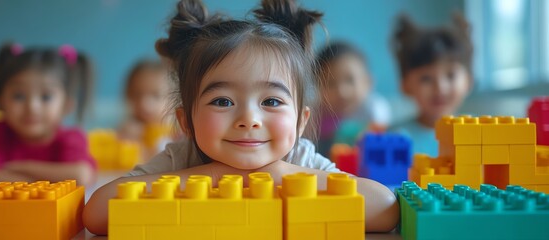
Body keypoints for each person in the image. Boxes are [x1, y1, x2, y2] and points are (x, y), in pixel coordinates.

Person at [83, 0, 399, 235]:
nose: (249, 119)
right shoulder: (183, 158)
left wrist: (281, 173)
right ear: (186, 122)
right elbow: (97, 213)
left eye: (271, 101)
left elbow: (385, 208)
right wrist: (213, 174)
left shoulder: (299, 158)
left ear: (302, 121)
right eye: (223, 101)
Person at [0, 43, 96, 186]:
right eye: (18, 96)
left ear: (67, 105)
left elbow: (81, 175)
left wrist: (20, 167)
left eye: (46, 97)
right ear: (0, 101)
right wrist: (43, 184)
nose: (32, 107)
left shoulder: (71, 138)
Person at [390, 13, 473, 157]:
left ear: (468, 80)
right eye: (426, 79)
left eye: (450, 75)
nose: (440, 88)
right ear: (405, 85)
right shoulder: (394, 138)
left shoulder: (478, 133)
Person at [316, 41, 391, 156]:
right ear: (318, 88)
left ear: (368, 82)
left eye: (350, 80)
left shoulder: (374, 108)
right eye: (330, 84)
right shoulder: (316, 114)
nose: (342, 92)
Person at [117, 59, 175, 161]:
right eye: (137, 95)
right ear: (128, 95)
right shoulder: (128, 129)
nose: (145, 104)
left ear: (172, 99)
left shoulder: (175, 130)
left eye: (156, 95)